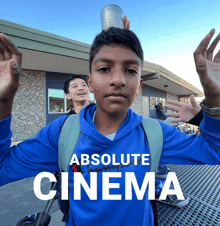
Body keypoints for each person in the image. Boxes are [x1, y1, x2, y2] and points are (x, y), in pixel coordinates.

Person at [0, 25, 220, 226]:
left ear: (139, 85)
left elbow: (213, 151)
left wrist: (215, 99)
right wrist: (3, 101)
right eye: (105, 69)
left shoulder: (153, 132)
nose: (118, 80)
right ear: (91, 82)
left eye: (131, 70)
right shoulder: (61, 133)